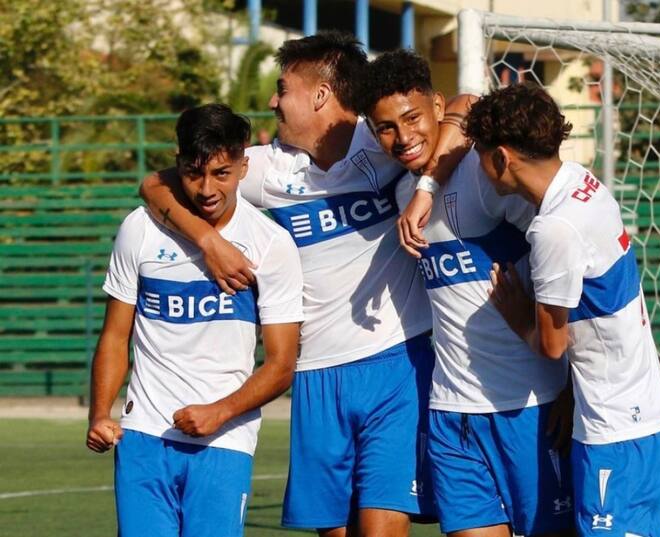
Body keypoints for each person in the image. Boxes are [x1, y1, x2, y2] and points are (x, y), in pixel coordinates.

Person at [139, 32, 470, 537]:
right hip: (314, 374)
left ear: (319, 96)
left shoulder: (383, 141)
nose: (273, 100)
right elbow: (156, 184)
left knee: (382, 524)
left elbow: (466, 105)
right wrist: (208, 241)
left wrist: (424, 189)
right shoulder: (265, 170)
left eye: (283, 88)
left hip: (395, 364)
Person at [360, 50, 574, 537]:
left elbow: (567, 267)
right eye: (385, 127)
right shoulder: (400, 194)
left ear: (437, 106)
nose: (402, 136)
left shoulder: (487, 178)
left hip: (531, 404)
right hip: (452, 414)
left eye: (412, 117)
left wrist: (571, 385)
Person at [465, 84, 660, 537]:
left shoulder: (553, 228)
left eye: (480, 155)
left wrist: (515, 310)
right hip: (644, 417)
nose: (476, 169)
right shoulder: (583, 182)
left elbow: (552, 344)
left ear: (501, 158)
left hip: (614, 430)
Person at [86, 103, 303, 537]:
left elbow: (282, 365)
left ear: (244, 166)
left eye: (221, 173)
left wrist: (219, 413)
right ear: (178, 162)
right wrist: (99, 412)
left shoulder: (271, 245)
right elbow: (115, 335)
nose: (206, 188)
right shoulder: (139, 229)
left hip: (224, 442)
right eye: (193, 172)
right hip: (144, 435)